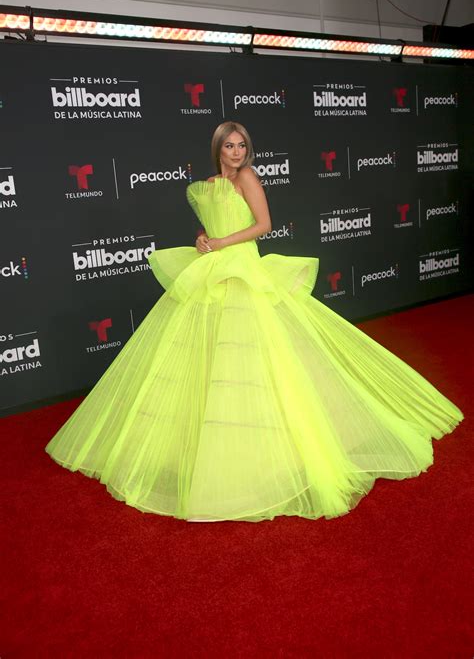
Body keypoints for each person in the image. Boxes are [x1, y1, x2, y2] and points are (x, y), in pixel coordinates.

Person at [46, 121, 463, 522]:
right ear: (218, 150)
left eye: (242, 145)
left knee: (258, 350)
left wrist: (223, 243)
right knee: (207, 353)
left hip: (242, 267)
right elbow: (210, 227)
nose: (236, 152)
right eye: (229, 146)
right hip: (212, 267)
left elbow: (264, 225)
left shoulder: (249, 177)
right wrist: (202, 240)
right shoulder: (208, 186)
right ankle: (204, 447)